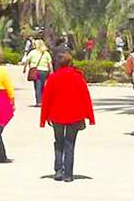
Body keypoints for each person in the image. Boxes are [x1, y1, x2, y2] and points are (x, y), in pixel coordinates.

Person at [39, 50, 95, 181]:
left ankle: (58, 170)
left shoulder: (53, 78)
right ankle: (68, 174)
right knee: (70, 143)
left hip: (56, 115)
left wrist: (44, 118)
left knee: (58, 142)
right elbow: (85, 97)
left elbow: (46, 99)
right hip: (74, 116)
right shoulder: (77, 77)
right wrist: (90, 117)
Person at [26, 38, 53, 106]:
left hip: (36, 71)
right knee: (43, 86)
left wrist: (25, 68)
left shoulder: (32, 52)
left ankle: (39, 102)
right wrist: (51, 71)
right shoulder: (46, 53)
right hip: (44, 71)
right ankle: (44, 101)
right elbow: (50, 63)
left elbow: (27, 61)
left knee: (37, 86)